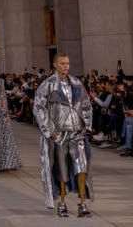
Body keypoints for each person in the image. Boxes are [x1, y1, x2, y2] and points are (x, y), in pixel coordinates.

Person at [34, 53, 92, 218]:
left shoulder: (77, 83)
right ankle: (62, 203)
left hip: (77, 132)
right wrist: (49, 130)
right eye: (62, 63)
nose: (66, 66)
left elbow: (86, 104)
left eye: (67, 63)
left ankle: (82, 204)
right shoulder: (48, 85)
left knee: (82, 166)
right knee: (62, 169)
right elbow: (38, 107)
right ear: (55, 64)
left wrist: (87, 125)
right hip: (59, 134)